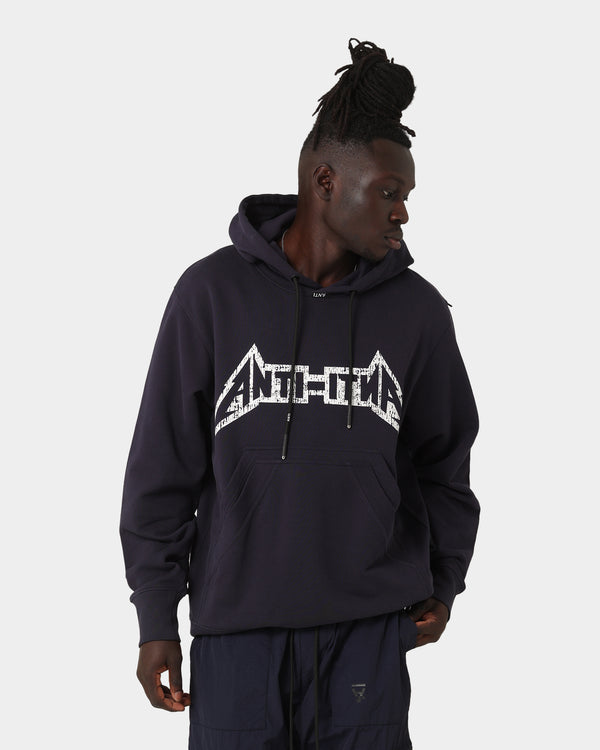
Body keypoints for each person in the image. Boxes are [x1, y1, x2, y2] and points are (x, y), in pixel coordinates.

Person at [120, 38, 480, 750]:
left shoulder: (417, 313)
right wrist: (156, 618)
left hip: (368, 637)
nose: (402, 213)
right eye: (389, 193)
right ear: (325, 181)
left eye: (406, 198)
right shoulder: (211, 295)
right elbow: (161, 470)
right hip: (237, 640)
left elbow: (446, 464)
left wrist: (445, 581)